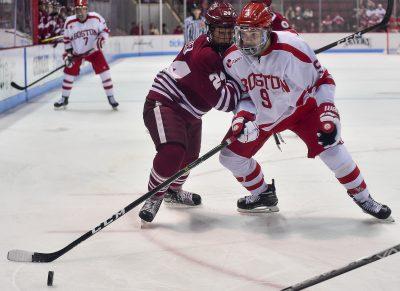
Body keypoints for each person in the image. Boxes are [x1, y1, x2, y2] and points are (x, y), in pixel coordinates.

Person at [219, 1, 392, 221]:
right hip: (265, 116)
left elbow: (323, 80)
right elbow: (245, 95)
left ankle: (364, 197)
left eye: (253, 34)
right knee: (229, 157)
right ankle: (263, 195)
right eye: (243, 34)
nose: (247, 41)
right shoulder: (232, 59)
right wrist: (243, 118)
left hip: (301, 109)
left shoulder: (293, 49)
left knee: (332, 148)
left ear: (267, 31)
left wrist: (328, 113)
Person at [139, 1, 241, 223]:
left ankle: (173, 192)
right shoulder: (207, 56)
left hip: (190, 112)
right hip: (165, 102)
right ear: (209, 29)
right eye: (220, 31)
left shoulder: (214, 48)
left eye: (229, 31)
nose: (225, 36)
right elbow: (225, 102)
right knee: (173, 151)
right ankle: (153, 196)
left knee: (190, 158)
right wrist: (248, 83)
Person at [54, 0, 118, 109]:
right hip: (77, 52)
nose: (80, 12)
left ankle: (111, 97)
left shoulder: (96, 18)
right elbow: (67, 40)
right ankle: (64, 98)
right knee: (69, 74)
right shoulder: (69, 22)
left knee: (105, 73)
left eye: (82, 9)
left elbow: (105, 31)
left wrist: (101, 39)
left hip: (94, 52)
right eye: (77, 9)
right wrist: (69, 54)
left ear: (86, 9)